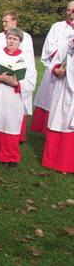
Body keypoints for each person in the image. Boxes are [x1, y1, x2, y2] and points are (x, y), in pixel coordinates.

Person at [0, 28, 37, 167]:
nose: (11, 41)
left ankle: (10, 157)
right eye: (9, 38)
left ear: (20, 42)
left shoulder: (26, 57)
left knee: (11, 124)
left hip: (14, 96)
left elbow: (31, 78)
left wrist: (18, 83)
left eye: (15, 39)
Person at [30, 1, 74, 135]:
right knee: (50, 100)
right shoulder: (57, 26)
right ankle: (48, 130)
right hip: (57, 68)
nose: (70, 13)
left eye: (73, 11)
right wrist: (61, 61)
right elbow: (50, 46)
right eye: (68, 10)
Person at [0, 11, 34, 142]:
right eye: (3, 21)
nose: (4, 23)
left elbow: (29, 62)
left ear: (15, 21)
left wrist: (18, 81)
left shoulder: (26, 37)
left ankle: (17, 138)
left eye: (6, 21)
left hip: (17, 82)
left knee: (13, 117)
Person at [41, 37, 74, 173]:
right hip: (62, 88)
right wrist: (56, 70)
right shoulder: (68, 44)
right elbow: (55, 62)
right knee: (57, 120)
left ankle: (67, 164)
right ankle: (52, 160)